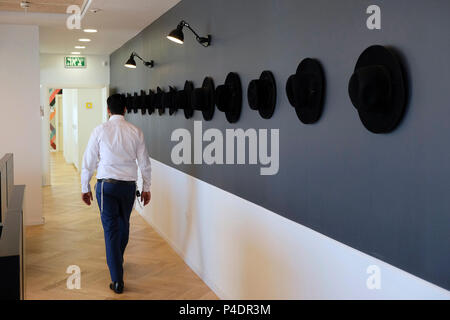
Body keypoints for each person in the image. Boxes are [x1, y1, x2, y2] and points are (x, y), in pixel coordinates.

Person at [81, 94, 152, 294]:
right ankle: (117, 262)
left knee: (111, 230)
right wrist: (146, 187)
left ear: (108, 110)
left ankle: (117, 279)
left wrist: (84, 187)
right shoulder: (136, 131)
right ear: (126, 109)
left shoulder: (100, 130)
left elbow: (89, 160)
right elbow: (144, 163)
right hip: (128, 187)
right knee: (123, 225)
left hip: (107, 187)